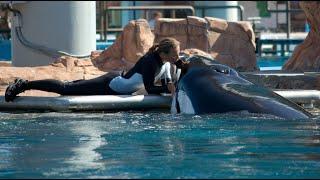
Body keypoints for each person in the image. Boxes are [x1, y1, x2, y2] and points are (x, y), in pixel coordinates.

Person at [5, 37, 181, 102]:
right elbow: (151, 89)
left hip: (116, 85)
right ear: (165, 52)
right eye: (175, 54)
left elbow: (167, 83)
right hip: (111, 84)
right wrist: (168, 88)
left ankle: (26, 85)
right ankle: (24, 85)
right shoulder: (150, 61)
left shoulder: (165, 63)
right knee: (66, 89)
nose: (177, 58)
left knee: (75, 86)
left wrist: (171, 87)